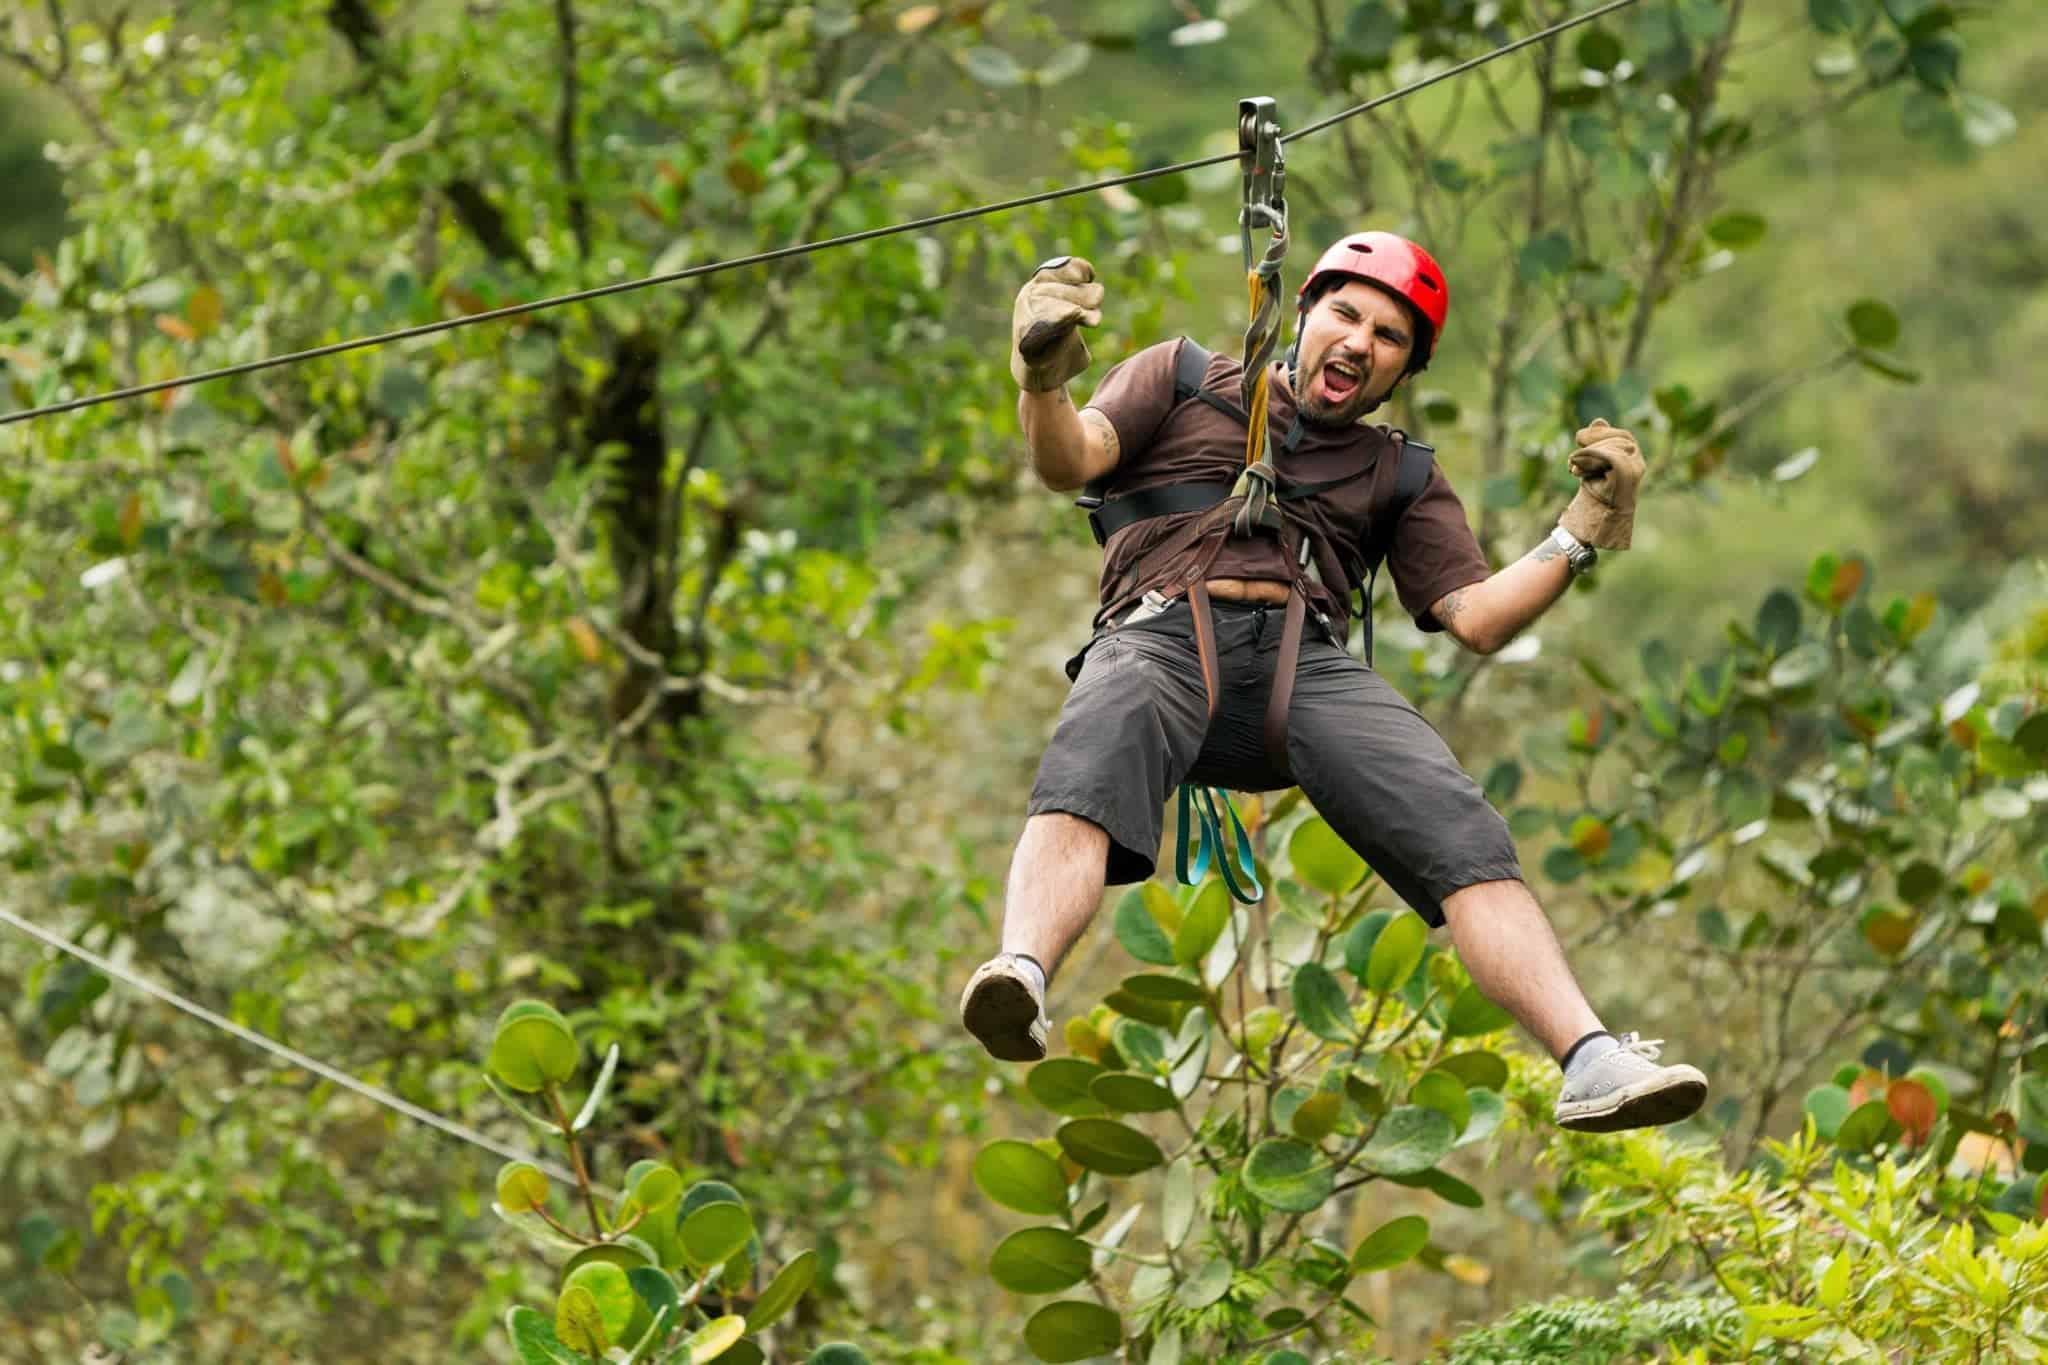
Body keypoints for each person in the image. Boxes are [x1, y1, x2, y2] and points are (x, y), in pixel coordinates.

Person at [958, 232, 1708, 1133]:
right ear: (1303, 311)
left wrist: (1577, 533)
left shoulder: (1399, 472)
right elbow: (1067, 460)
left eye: (1389, 337)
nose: (1359, 342)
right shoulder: (1183, 378)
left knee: (1460, 823)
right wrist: (1043, 377)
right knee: (1094, 752)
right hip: (1160, 635)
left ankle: (1590, 1057)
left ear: (1401, 371)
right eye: (1347, 314)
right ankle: (1022, 974)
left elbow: (1476, 618)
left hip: (1300, 670)